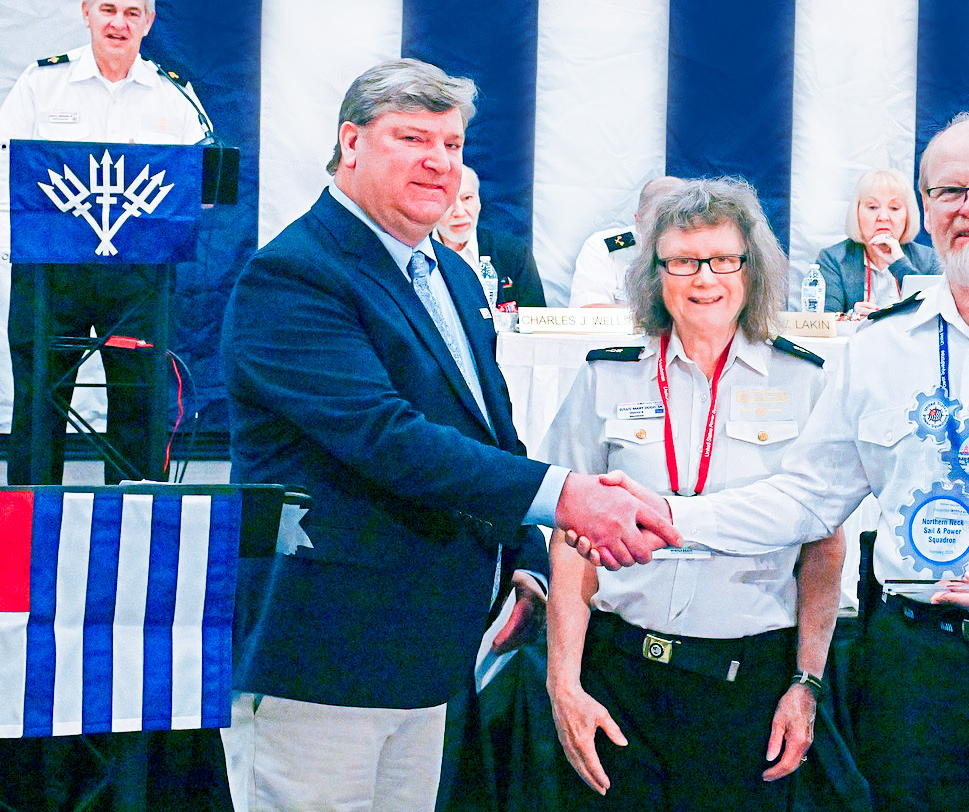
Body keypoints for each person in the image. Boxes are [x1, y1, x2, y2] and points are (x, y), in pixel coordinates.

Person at [586, 113, 969, 811]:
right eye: (950, 192)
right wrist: (668, 515)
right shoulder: (878, 346)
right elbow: (807, 500)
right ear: (924, 211)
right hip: (916, 673)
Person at [219, 58, 677, 812]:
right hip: (324, 653)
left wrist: (526, 562)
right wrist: (566, 498)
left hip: (432, 651)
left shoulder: (456, 278)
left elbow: (491, 432)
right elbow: (386, 436)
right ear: (352, 143)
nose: (438, 161)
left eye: (453, 144)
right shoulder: (293, 276)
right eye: (412, 138)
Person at [544, 178, 844, 810]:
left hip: (749, 688)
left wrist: (806, 683)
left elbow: (824, 547)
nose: (703, 277)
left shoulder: (806, 380)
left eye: (722, 259)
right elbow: (569, 537)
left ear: (751, 268)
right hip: (621, 677)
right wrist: (564, 681)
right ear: (655, 275)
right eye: (681, 261)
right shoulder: (608, 373)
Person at [0, 0, 208, 484]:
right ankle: (31, 514)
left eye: (132, 13)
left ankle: (132, 520)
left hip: (138, 279)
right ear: (87, 13)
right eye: (109, 9)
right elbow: (7, 171)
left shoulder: (173, 95)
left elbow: (204, 185)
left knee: (138, 403)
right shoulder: (41, 83)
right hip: (50, 271)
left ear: (148, 22)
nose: (119, 22)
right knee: (40, 398)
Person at [814, 167, 940, 317]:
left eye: (894, 208)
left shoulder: (930, 258)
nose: (883, 217)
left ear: (908, 215)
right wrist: (851, 316)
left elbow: (935, 313)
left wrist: (899, 263)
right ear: (857, 213)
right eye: (872, 207)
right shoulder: (833, 259)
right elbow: (823, 320)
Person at [436, 164, 548, 308]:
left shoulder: (512, 252)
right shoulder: (417, 253)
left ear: (479, 202)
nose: (460, 212)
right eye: (449, 201)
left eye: (467, 198)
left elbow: (535, 320)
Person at [568, 176, 683, 307]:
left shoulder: (706, 252)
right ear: (637, 220)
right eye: (656, 229)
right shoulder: (604, 247)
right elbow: (588, 313)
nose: (665, 239)